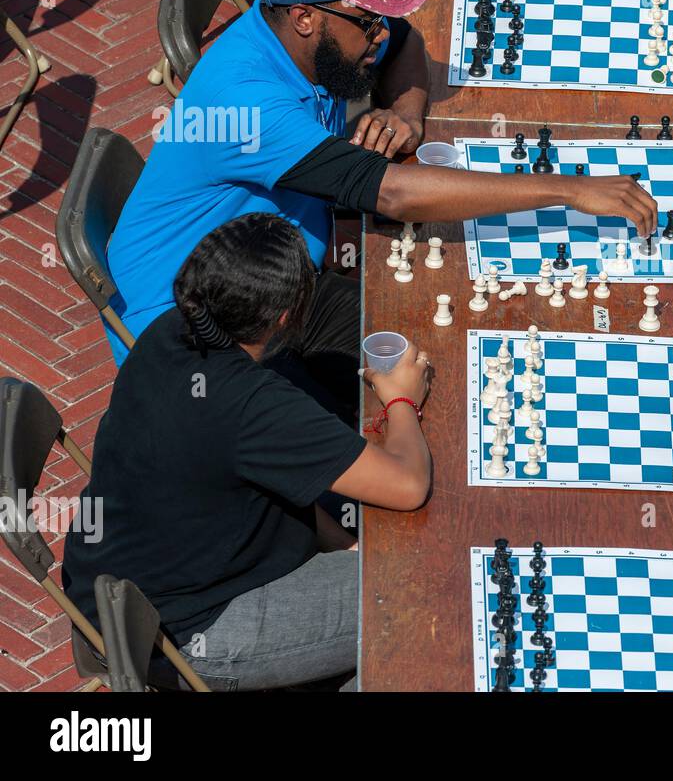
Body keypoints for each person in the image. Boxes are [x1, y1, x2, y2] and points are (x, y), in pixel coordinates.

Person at [105, 0, 658, 404]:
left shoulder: (312, 32)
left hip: (281, 289)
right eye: (367, 20)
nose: (378, 32)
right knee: (401, 419)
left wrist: (407, 112)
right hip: (204, 339)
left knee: (443, 358)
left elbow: (405, 43)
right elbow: (390, 191)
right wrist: (567, 190)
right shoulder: (246, 104)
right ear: (304, 17)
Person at [63, 214, 432, 691]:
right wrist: (402, 398)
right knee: (420, 592)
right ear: (283, 317)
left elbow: (267, 477)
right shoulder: (252, 405)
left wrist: (342, 542)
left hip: (110, 587)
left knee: (376, 558)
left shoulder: (167, 332)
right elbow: (409, 485)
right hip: (188, 635)